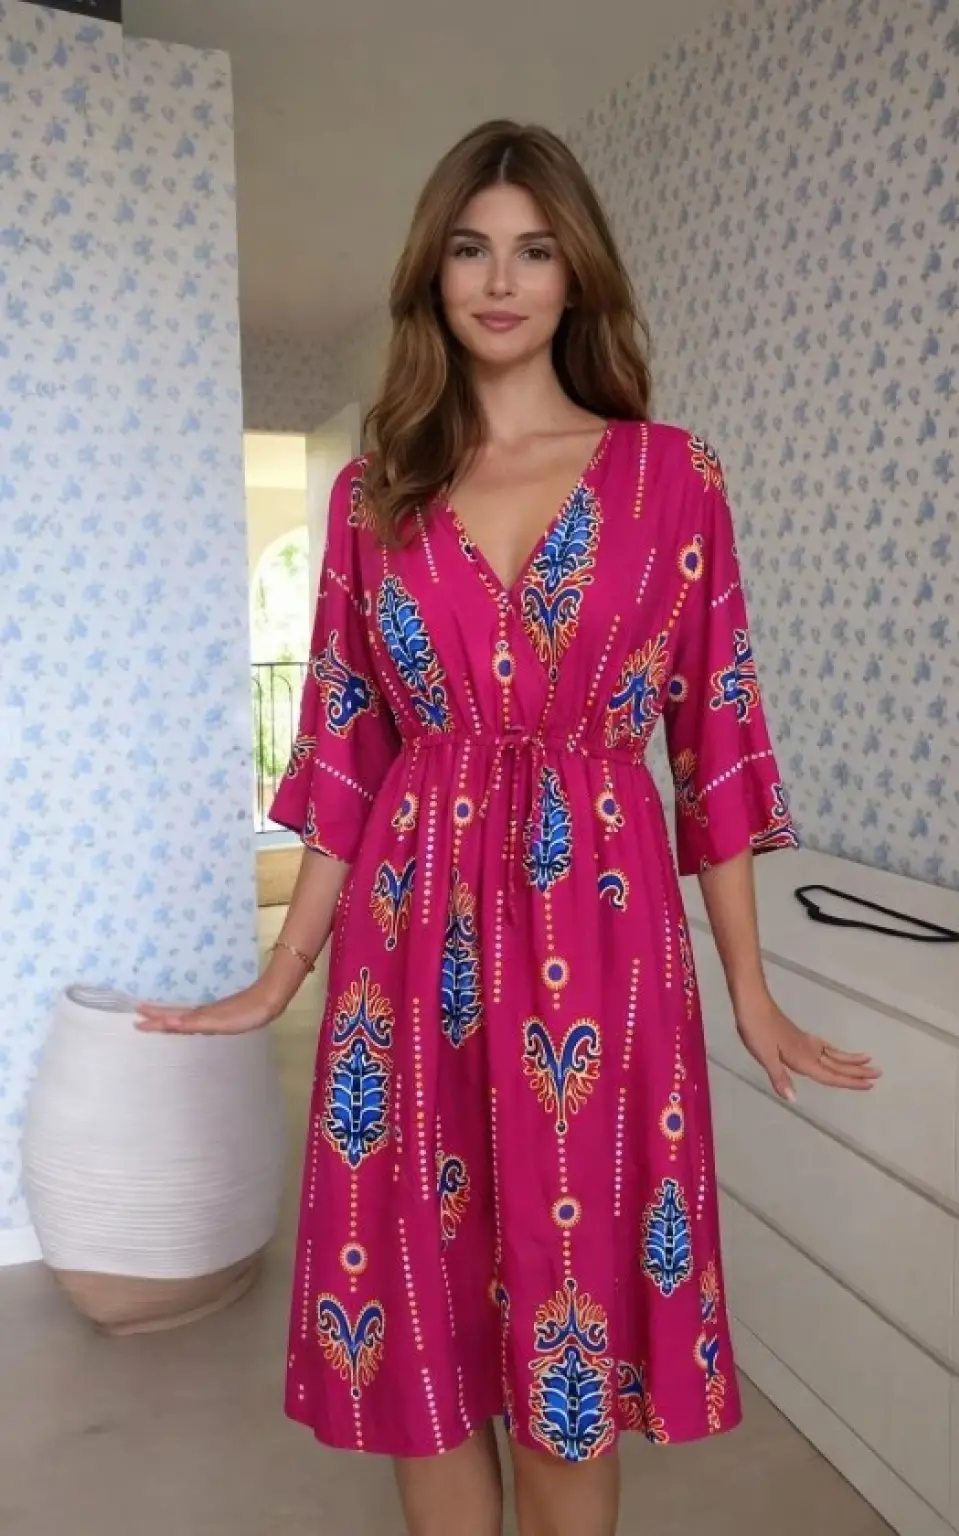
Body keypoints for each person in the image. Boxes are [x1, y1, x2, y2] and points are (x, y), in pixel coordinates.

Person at [138, 120, 880, 1536]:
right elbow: (346, 753)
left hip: (601, 943)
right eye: (471, 249)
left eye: (534, 251)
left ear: (574, 273)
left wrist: (751, 988)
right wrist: (282, 974)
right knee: (422, 1330)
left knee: (568, 1323)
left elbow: (715, 740)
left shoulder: (672, 477)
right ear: (432, 274)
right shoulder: (375, 491)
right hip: (409, 945)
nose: (500, 280)